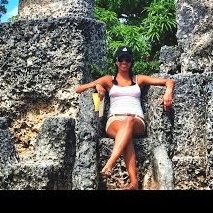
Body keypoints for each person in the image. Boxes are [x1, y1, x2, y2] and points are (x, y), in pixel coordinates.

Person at [75, 45, 174, 190]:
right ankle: (134, 183)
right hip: (114, 120)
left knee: (128, 121)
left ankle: (110, 163)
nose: (124, 62)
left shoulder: (138, 80)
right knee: (125, 134)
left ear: (131, 62)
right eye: (121, 59)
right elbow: (78, 89)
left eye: (127, 59)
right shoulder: (109, 80)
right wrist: (97, 86)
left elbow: (168, 81)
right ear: (116, 62)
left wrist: (168, 92)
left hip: (136, 120)